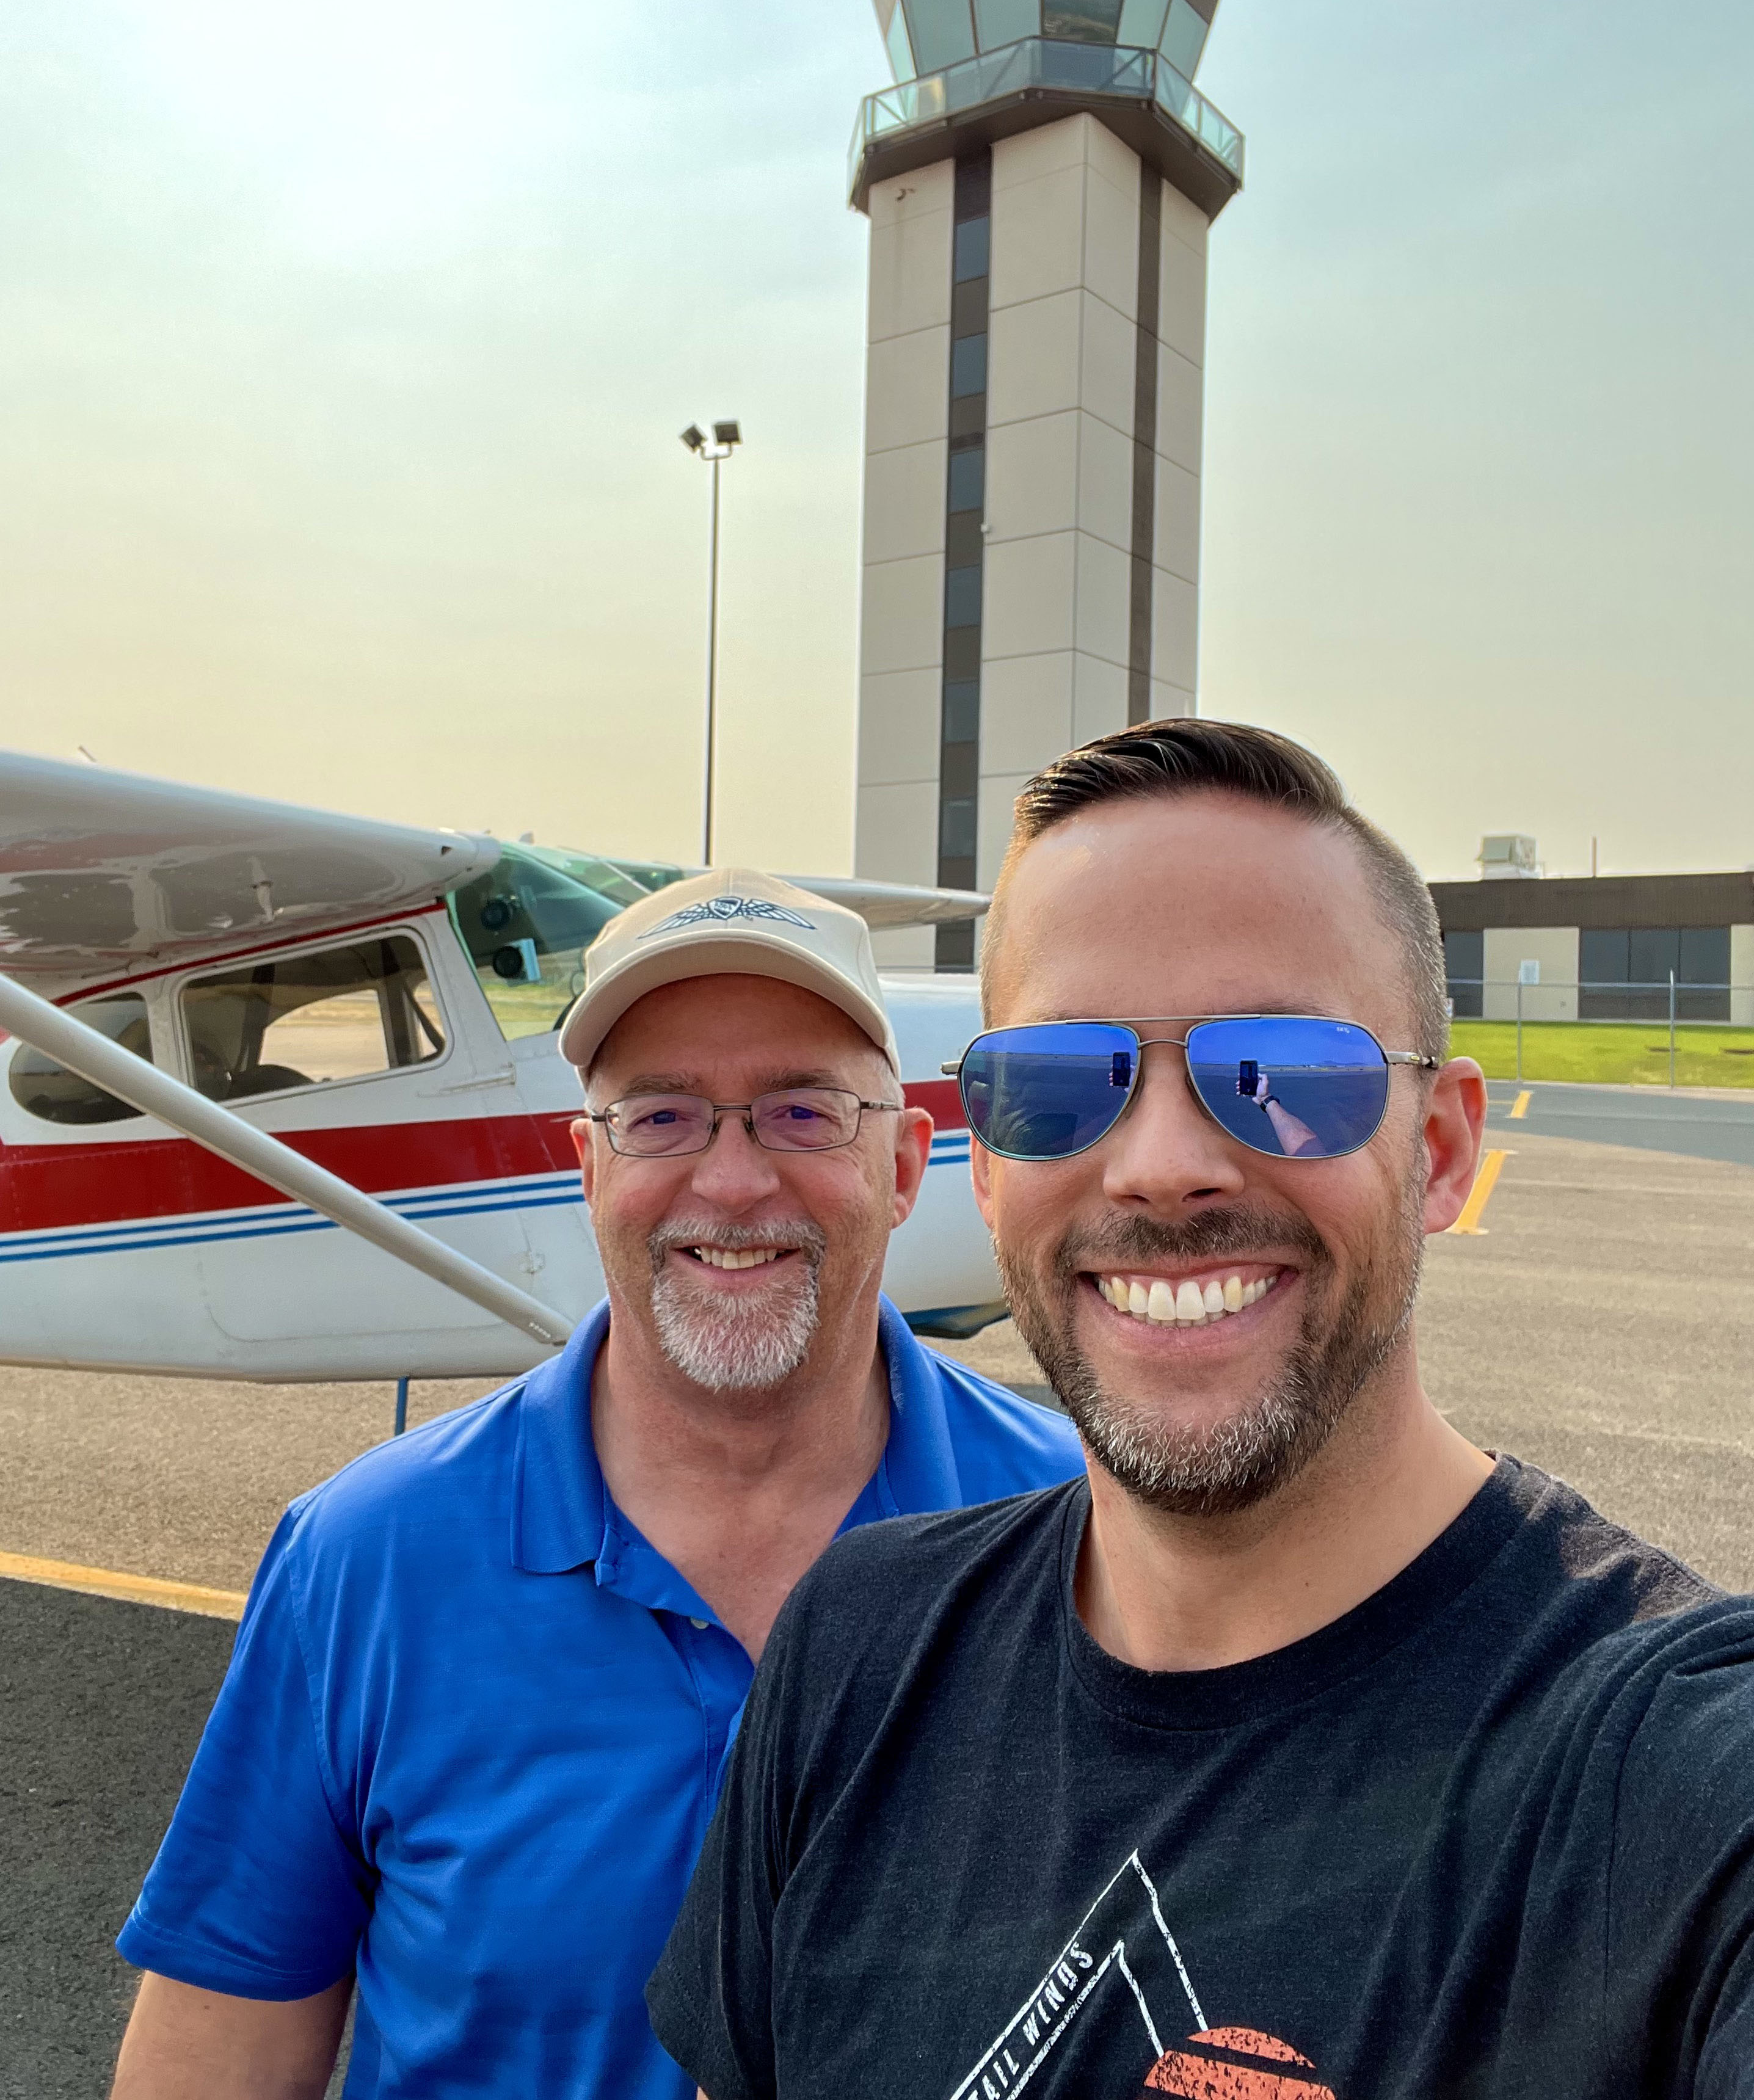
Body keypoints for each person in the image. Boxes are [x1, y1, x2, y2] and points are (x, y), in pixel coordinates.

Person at [650, 724, 1754, 2100]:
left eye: (1282, 1074)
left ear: (1443, 1150)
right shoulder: (854, 1656)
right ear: (986, 1167)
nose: (1161, 1165)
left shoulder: (1673, 1779)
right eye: (1058, 1082)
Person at [109, 868, 1082, 2100]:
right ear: (587, 1167)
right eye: (662, 1117)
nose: (731, 1182)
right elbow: (216, 2059)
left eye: (801, 1111)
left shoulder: (1089, 1536)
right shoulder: (365, 1557)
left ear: (902, 1166)